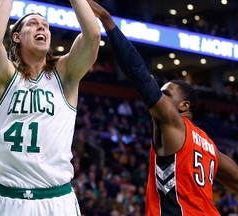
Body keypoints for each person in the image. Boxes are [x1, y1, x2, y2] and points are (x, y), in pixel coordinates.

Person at [86, 0, 238, 215]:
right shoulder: (211, 148)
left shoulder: (173, 123)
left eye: (166, 94)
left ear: (184, 106)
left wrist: (107, 20)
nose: (161, 97)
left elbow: (139, 74)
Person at [0, 0, 100, 215]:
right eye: (33, 24)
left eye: (45, 26)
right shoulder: (5, 77)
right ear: (16, 37)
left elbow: (92, 35)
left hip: (57, 200)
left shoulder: (65, 75)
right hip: (11, 200)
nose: (42, 28)